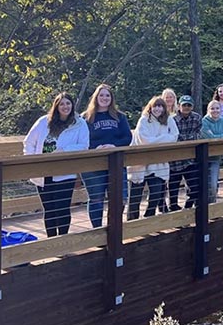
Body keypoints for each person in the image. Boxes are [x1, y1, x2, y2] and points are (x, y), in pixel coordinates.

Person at [24, 92, 89, 237]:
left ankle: (62, 241)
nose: (65, 107)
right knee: (49, 208)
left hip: (65, 172)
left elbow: (84, 145)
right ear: (56, 106)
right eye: (62, 104)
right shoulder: (43, 121)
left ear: (72, 105)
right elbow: (29, 142)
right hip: (44, 171)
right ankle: (51, 240)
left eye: (68, 103)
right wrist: (30, 161)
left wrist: (63, 151)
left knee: (62, 208)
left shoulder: (79, 124)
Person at [81, 84, 132, 228]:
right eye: (101, 95)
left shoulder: (119, 116)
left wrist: (114, 145)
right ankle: (97, 231)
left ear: (112, 98)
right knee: (96, 199)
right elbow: (81, 140)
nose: (104, 98)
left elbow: (127, 137)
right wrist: (95, 148)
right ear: (96, 97)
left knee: (119, 199)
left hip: (116, 162)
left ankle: (113, 229)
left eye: (107, 95)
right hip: (93, 164)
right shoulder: (85, 117)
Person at [127, 96, 179, 219]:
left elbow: (174, 136)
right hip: (139, 162)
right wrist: (163, 139)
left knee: (156, 193)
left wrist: (156, 141)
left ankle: (148, 218)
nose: (157, 108)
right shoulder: (144, 120)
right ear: (150, 107)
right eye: (155, 106)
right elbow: (144, 140)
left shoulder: (169, 120)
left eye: (160, 106)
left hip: (158, 163)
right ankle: (131, 222)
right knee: (135, 196)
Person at [169, 95, 202, 210]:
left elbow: (199, 135)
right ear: (179, 106)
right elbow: (173, 137)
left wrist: (184, 139)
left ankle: (188, 207)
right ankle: (173, 208)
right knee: (173, 187)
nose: (186, 107)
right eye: (184, 105)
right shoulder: (173, 119)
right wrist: (189, 138)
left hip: (190, 158)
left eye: (189, 105)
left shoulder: (197, 118)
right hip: (175, 160)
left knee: (195, 187)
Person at [202, 100, 223, 203]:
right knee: (204, 185)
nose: (215, 110)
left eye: (217, 108)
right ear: (208, 110)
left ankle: (212, 206)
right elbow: (209, 138)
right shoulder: (204, 121)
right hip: (203, 158)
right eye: (212, 108)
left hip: (216, 158)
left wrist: (216, 137)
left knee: (213, 185)